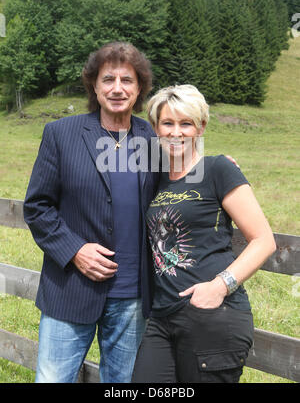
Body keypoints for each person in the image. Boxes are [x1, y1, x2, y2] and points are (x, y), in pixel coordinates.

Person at [23, 41, 160, 383]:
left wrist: (217, 168)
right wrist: (74, 250)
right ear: (94, 86)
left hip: (133, 297)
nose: (117, 88)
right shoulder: (61, 134)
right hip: (70, 289)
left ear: (139, 87)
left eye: (126, 80)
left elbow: (182, 180)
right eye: (108, 79)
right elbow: (37, 207)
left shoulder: (152, 138)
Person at [132, 85, 276, 383]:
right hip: (161, 317)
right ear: (156, 128)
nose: (176, 132)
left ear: (201, 127)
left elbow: (263, 240)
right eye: (167, 124)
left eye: (186, 123)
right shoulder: (155, 178)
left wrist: (220, 287)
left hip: (212, 314)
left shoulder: (217, 169)